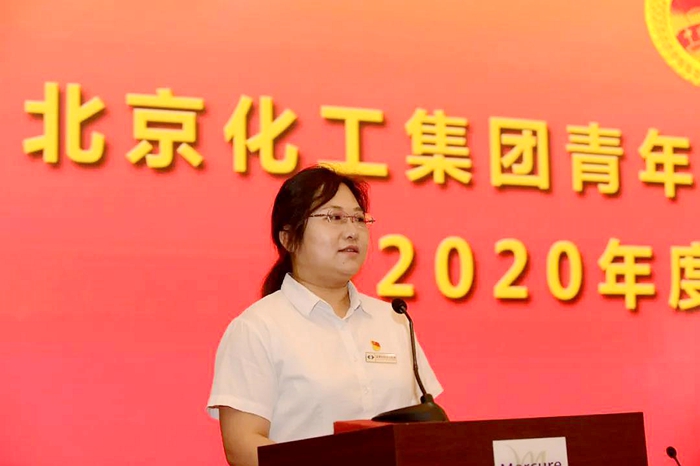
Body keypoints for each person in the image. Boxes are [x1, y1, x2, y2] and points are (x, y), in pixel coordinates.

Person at [206, 165, 443, 466]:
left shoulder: (393, 320)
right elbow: (242, 446)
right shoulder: (257, 328)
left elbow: (427, 428)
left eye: (359, 219)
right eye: (334, 217)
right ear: (289, 238)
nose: (352, 231)